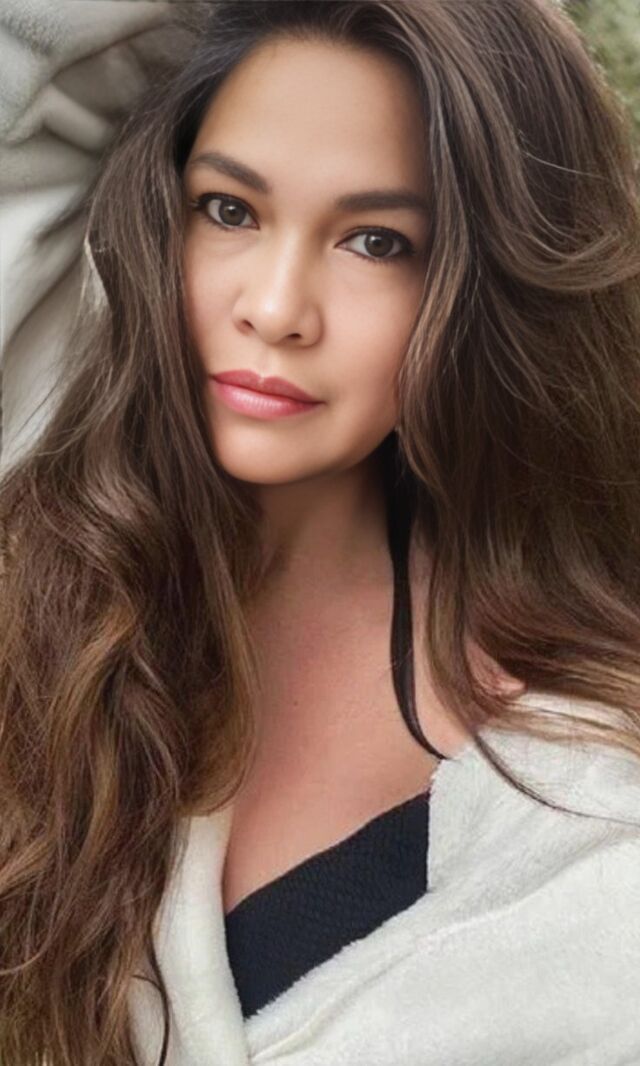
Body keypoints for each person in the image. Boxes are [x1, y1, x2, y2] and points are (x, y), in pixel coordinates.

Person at [1, 1, 640, 1063]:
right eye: (229, 210)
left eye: (375, 241)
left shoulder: (586, 837)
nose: (275, 306)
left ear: (485, 289)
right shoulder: (58, 493)